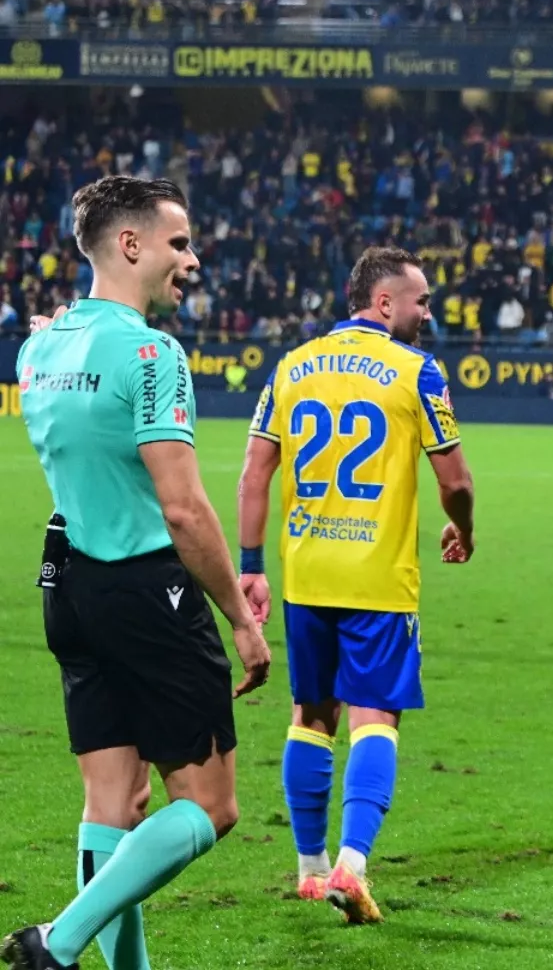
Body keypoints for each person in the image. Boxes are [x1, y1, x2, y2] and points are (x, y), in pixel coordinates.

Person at [6, 176, 272, 970]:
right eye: (179, 243)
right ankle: (57, 941)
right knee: (211, 808)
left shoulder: (39, 345)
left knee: (113, 805)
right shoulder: (153, 353)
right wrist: (243, 617)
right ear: (131, 245)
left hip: (67, 582)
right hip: (142, 584)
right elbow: (184, 509)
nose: (191, 259)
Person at [236, 246, 475, 924]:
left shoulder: (292, 366)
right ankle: (352, 864)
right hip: (377, 575)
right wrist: (465, 528)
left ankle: (310, 870)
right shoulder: (416, 370)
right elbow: (454, 480)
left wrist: (252, 564)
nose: (428, 313)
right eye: (421, 301)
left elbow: (255, 473)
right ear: (384, 303)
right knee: (376, 715)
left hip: (307, 572)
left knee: (310, 714)